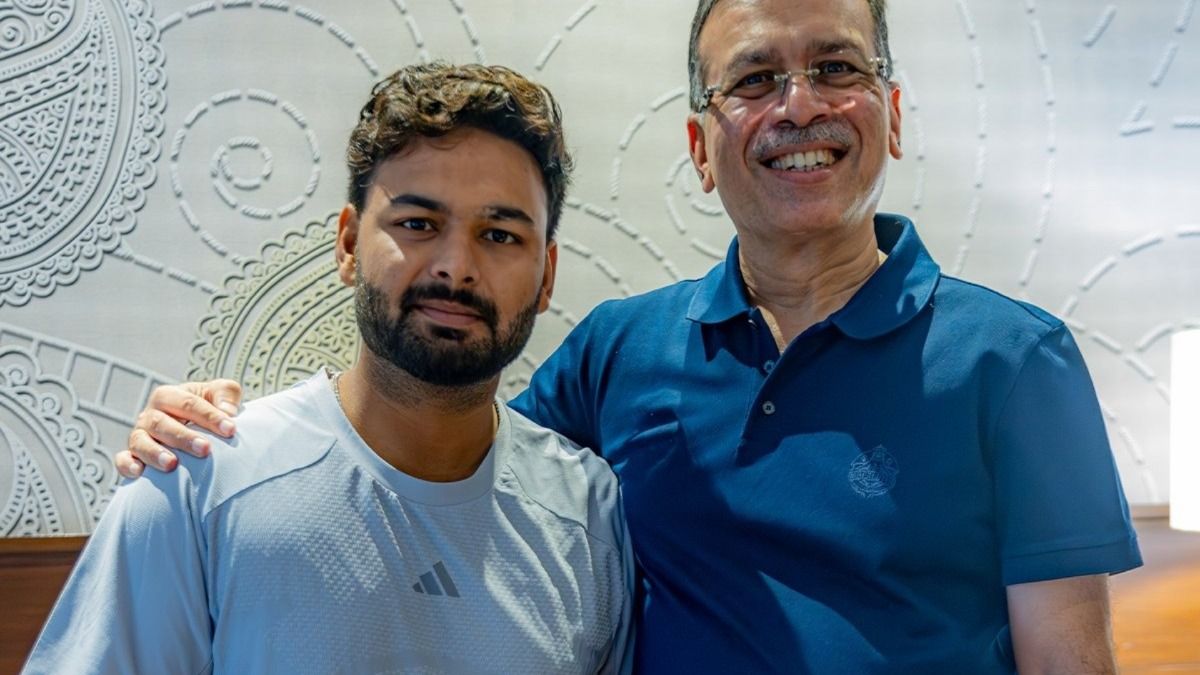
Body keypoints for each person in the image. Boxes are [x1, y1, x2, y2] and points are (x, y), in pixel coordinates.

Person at [117, 0, 1142, 672]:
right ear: (702, 147)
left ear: (892, 113)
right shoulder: (619, 351)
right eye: (752, 81)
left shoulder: (1017, 360)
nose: (797, 107)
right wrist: (217, 428)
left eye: (836, 67)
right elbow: (439, 459)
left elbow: (1067, 663)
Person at [27, 63, 633, 674]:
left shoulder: (589, 517)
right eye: (418, 224)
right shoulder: (194, 484)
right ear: (348, 246)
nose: (455, 266)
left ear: (547, 275)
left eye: (499, 235)